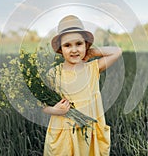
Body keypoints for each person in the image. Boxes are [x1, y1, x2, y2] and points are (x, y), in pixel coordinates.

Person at [42, 15, 122, 156]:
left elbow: (117, 51)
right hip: (65, 132)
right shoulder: (54, 74)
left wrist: (92, 53)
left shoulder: (92, 68)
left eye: (79, 44)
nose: (74, 50)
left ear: (86, 45)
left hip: (88, 132)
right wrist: (55, 110)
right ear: (60, 49)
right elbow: (41, 105)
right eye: (67, 45)